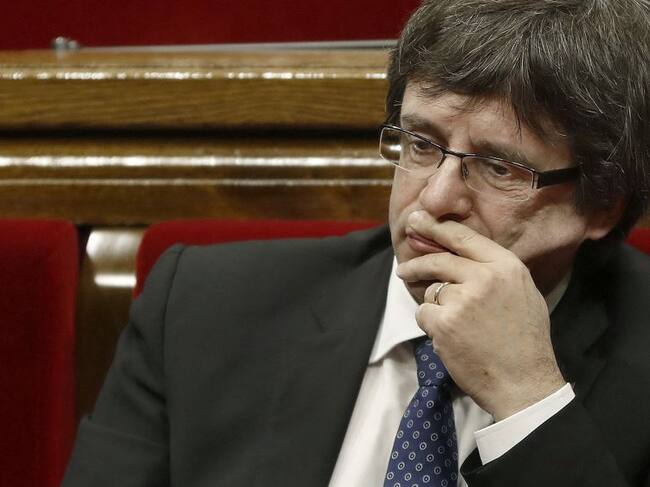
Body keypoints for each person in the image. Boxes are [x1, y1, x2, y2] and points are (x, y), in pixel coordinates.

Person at [62, 1, 650, 486]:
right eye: (422, 143)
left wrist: (527, 396)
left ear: (602, 203)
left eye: (499, 166)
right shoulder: (202, 308)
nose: (435, 199)